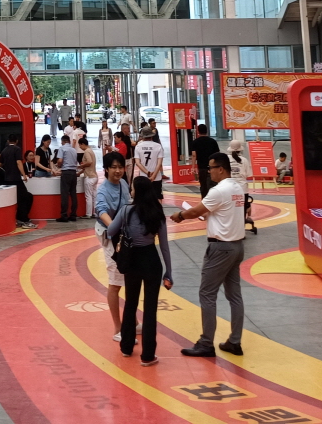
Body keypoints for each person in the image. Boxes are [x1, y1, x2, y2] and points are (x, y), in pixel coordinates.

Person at [174, 152, 246, 357]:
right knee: (234, 296)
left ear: (220, 169)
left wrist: (180, 215)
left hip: (220, 248)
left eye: (211, 168)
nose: (208, 172)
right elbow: (220, 212)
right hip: (237, 246)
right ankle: (235, 341)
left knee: (207, 293)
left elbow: (195, 211)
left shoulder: (218, 190)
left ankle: (206, 343)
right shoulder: (237, 188)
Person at [108, 176, 173, 366]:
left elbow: (111, 231)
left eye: (132, 188)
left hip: (132, 260)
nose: (131, 191)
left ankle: (126, 347)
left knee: (131, 302)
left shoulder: (126, 210)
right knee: (150, 308)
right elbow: (165, 246)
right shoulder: (157, 212)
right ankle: (148, 355)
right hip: (151, 259)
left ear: (136, 191)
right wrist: (168, 272)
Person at [94, 151, 129, 341]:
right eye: (113, 167)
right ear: (106, 169)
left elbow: (128, 205)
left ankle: (132, 321)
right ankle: (118, 327)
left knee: (129, 277)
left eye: (120, 167)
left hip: (123, 235)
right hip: (109, 236)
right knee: (115, 280)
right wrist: (115, 227)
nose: (118, 171)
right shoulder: (103, 190)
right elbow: (101, 210)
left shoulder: (123, 184)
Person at [0, 133, 36, 229]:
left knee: (21, 198)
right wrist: (24, 175)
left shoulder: (4, 150)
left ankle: (20, 218)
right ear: (17, 141)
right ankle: (23, 220)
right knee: (26, 197)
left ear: (8, 141)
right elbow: (19, 162)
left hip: (7, 180)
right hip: (16, 179)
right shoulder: (17, 149)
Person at [229, 142, 256, 234]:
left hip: (229, 188)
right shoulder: (244, 160)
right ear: (240, 149)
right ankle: (241, 230)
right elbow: (248, 174)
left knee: (231, 209)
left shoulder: (226, 159)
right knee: (242, 210)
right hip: (242, 189)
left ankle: (232, 229)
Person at [189, 123, 220, 200]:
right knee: (213, 185)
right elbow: (217, 155)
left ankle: (204, 201)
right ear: (207, 131)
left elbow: (194, 155)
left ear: (198, 131)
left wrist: (193, 167)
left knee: (203, 186)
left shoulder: (195, 142)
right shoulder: (213, 141)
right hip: (212, 168)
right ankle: (214, 200)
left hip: (201, 168)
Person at [133, 126, 165, 198]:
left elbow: (138, 163)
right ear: (151, 135)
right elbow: (159, 163)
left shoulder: (138, 147)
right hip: (156, 177)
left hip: (143, 177)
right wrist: (153, 176)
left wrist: (147, 173)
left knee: (143, 198)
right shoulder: (158, 146)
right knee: (158, 197)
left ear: (143, 136)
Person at [55, 135, 80, 222]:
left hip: (66, 172)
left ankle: (64, 215)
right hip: (73, 172)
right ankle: (73, 215)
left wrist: (58, 165)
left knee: (65, 195)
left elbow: (60, 161)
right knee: (73, 194)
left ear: (63, 141)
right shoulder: (74, 150)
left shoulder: (62, 148)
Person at [78, 137, 98, 221]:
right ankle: (94, 212)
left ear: (82, 144)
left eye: (80, 145)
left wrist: (82, 165)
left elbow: (89, 162)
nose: (80, 147)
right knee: (94, 196)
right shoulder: (91, 151)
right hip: (94, 176)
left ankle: (88, 213)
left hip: (89, 176)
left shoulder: (86, 152)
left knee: (88, 196)